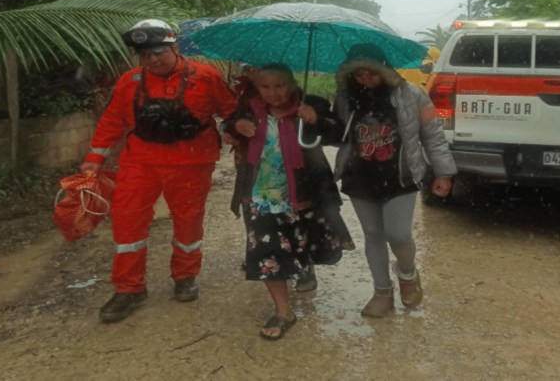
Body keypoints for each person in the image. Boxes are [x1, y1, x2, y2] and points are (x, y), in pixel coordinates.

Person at [80, 19, 237, 323]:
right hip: (140, 163)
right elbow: (112, 121)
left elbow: (230, 109)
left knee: (189, 223)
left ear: (175, 47)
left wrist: (237, 132)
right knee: (127, 224)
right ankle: (129, 288)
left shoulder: (206, 76)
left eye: (158, 53)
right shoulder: (130, 81)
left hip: (192, 163)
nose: (152, 60)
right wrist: (93, 159)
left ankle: (185, 277)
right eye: (145, 55)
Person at [332, 43, 457, 318]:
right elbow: (335, 133)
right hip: (359, 177)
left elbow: (433, 135)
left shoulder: (412, 95)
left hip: (401, 175)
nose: (366, 80)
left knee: (398, 235)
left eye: (371, 74)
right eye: (359, 75)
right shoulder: (344, 99)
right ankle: (382, 292)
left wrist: (443, 172)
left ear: (384, 70)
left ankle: (407, 274)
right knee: (374, 235)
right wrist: (313, 116)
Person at [226, 63, 346, 340]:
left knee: (298, 246)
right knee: (266, 253)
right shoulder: (250, 108)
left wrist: (316, 119)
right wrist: (234, 126)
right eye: (265, 87)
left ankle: (306, 270)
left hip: (303, 195)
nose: (273, 93)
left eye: (279, 85)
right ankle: (283, 311)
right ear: (257, 88)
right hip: (259, 196)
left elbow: (337, 133)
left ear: (291, 84)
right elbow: (229, 125)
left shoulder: (310, 104)